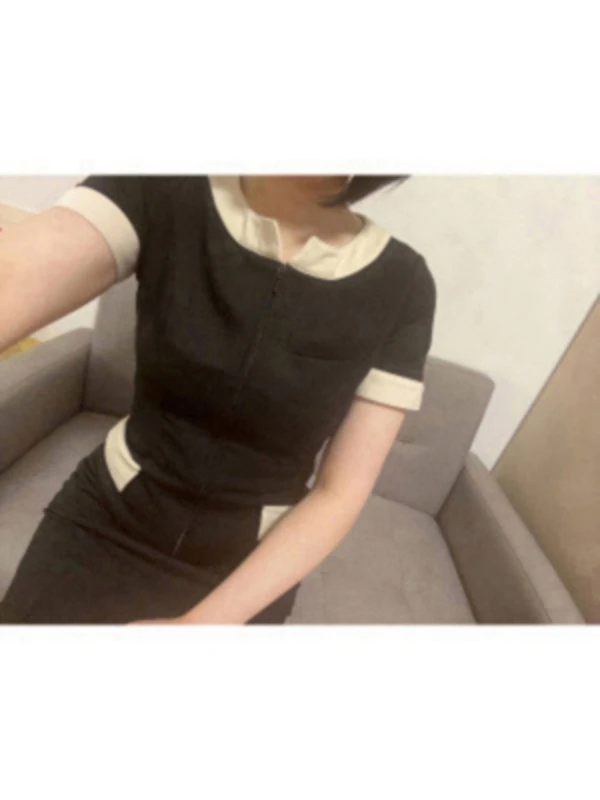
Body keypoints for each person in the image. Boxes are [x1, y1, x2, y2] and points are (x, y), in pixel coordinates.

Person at [0, 175, 437, 625]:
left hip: (248, 566)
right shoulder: (163, 187)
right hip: (106, 518)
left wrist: (203, 625)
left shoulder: (403, 284)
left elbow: (338, 493)